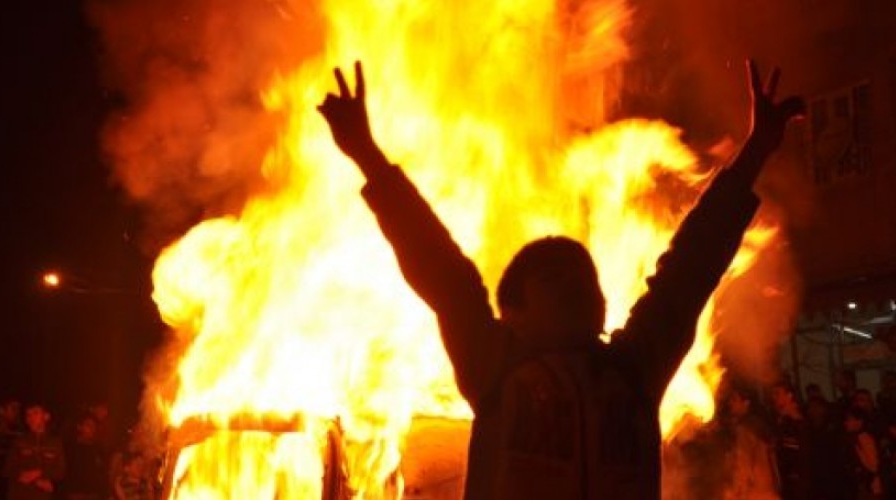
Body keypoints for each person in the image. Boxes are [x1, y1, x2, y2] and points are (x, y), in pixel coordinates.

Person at [318, 60, 803, 499]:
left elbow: (690, 268)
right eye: (554, 278)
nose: (577, 287)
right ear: (514, 312)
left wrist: (756, 150)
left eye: (585, 279)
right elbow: (444, 271)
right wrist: (367, 156)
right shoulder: (495, 367)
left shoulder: (634, 369)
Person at [4, 403, 65, 500]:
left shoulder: (55, 443)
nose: (31, 418)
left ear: (46, 416)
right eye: (28, 415)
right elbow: (8, 469)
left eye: (35, 413)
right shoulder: (19, 441)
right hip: (19, 495)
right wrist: (32, 478)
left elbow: (60, 471)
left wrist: (40, 473)